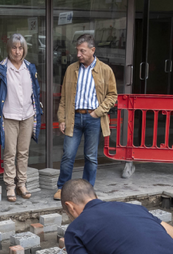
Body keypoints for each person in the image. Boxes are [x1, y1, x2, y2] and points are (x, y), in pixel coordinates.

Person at [54, 34, 117, 200]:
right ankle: (62, 189)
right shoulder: (71, 69)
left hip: (93, 118)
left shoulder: (105, 70)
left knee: (91, 157)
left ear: (92, 50)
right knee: (68, 155)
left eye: (82, 51)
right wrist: (62, 119)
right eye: (77, 51)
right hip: (73, 117)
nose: (78, 54)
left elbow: (112, 95)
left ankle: (88, 192)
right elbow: (64, 98)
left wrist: (98, 112)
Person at [0, 33, 42, 202]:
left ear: (24, 49)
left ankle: (21, 184)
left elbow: (36, 91)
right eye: (14, 48)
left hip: (27, 115)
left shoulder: (30, 68)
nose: (17, 52)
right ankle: (10, 186)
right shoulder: (1, 68)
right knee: (10, 152)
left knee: (23, 152)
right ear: (8, 49)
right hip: (9, 115)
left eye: (20, 48)